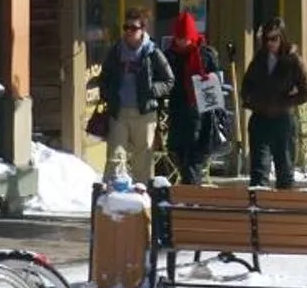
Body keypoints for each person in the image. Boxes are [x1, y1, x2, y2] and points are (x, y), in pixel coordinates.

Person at [94, 10, 173, 179]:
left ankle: (141, 199)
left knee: (142, 161)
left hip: (144, 114)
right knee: (115, 158)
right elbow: (104, 77)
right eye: (126, 27)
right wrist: (108, 93)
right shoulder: (116, 51)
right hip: (119, 112)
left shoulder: (152, 52)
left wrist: (151, 90)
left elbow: (169, 81)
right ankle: (112, 198)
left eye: (133, 28)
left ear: (143, 29)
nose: (129, 31)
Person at [240, 20, 307, 188]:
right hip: (260, 118)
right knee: (259, 171)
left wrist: (285, 101)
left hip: (282, 119)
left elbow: (306, 93)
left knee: (285, 170)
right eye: (266, 39)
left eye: (274, 39)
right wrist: (250, 99)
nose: (269, 43)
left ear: (282, 38)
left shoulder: (293, 61)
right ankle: (258, 210)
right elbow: (246, 84)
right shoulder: (259, 58)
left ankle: (284, 209)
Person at [163, 12, 225, 183]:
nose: (182, 42)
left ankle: (191, 199)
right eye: (179, 38)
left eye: (185, 37)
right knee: (182, 160)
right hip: (178, 114)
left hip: (201, 116)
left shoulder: (205, 54)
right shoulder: (169, 56)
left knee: (193, 164)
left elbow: (216, 85)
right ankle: (189, 196)